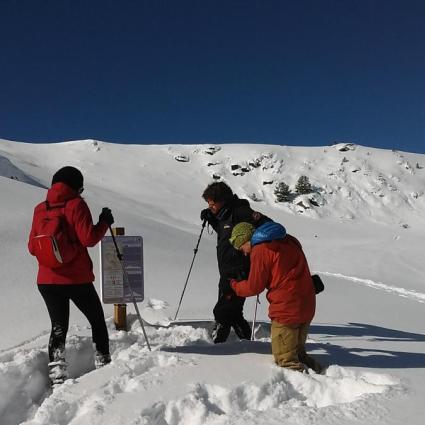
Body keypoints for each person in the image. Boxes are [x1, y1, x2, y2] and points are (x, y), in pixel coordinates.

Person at [28, 166, 115, 385]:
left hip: (47, 280)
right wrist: (104, 222)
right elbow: (89, 239)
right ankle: (103, 363)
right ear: (76, 186)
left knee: (58, 326)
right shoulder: (77, 205)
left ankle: (57, 374)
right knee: (96, 320)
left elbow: (32, 247)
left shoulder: (40, 209)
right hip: (76, 278)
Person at [229, 221, 323, 373]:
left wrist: (235, 285)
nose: (245, 253)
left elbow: (254, 287)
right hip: (306, 303)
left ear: (246, 239)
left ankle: (313, 390)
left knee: (286, 361)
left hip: (286, 308)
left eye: (242, 248)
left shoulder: (260, 250)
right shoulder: (289, 239)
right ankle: (322, 376)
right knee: (299, 354)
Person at [200, 182, 270, 343]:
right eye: (208, 204)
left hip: (239, 272)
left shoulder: (241, 211)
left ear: (222, 200)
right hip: (226, 271)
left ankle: (219, 345)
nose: (210, 206)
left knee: (222, 312)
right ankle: (246, 342)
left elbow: (267, 226)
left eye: (212, 204)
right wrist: (212, 219)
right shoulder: (224, 214)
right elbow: (227, 233)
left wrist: (252, 244)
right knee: (235, 312)